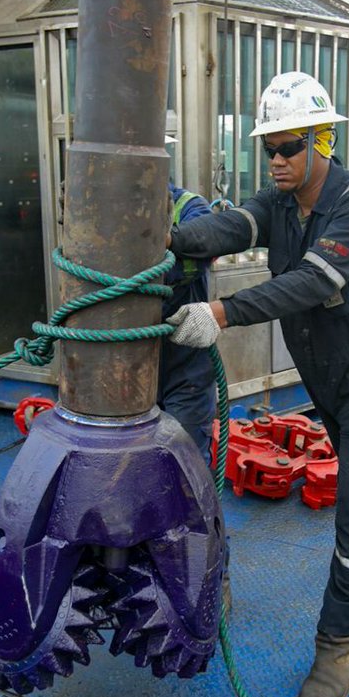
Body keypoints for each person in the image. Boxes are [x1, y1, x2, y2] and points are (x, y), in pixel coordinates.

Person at [164, 72, 349, 697]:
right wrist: (165, 235)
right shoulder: (277, 204)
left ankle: (339, 645)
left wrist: (221, 313)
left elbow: (309, 281)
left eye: (289, 146)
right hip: (327, 369)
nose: (277, 160)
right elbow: (229, 228)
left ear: (320, 140)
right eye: (269, 147)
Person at [158, 135, 216, 462]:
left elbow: (204, 245)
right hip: (126, 364)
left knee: (185, 462)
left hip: (185, 367)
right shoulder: (102, 215)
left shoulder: (190, 208)